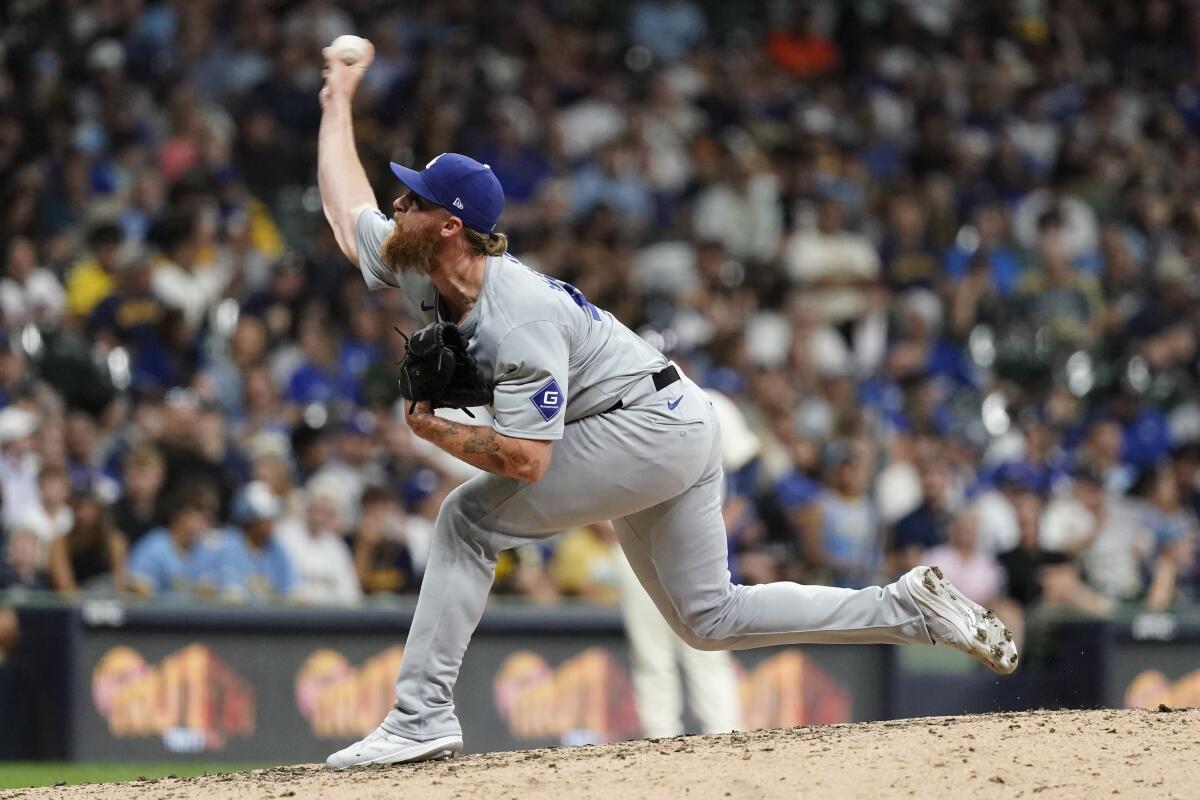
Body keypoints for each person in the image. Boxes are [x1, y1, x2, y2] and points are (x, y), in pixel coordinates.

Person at [317, 40, 1018, 769]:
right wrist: (338, 100)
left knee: (464, 520)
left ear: (450, 228)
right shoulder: (420, 263)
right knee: (708, 618)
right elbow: (346, 212)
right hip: (662, 420)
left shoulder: (514, 314)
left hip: (645, 425)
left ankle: (420, 715)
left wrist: (434, 432)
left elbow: (525, 461)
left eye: (414, 200)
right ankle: (906, 608)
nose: (397, 206)